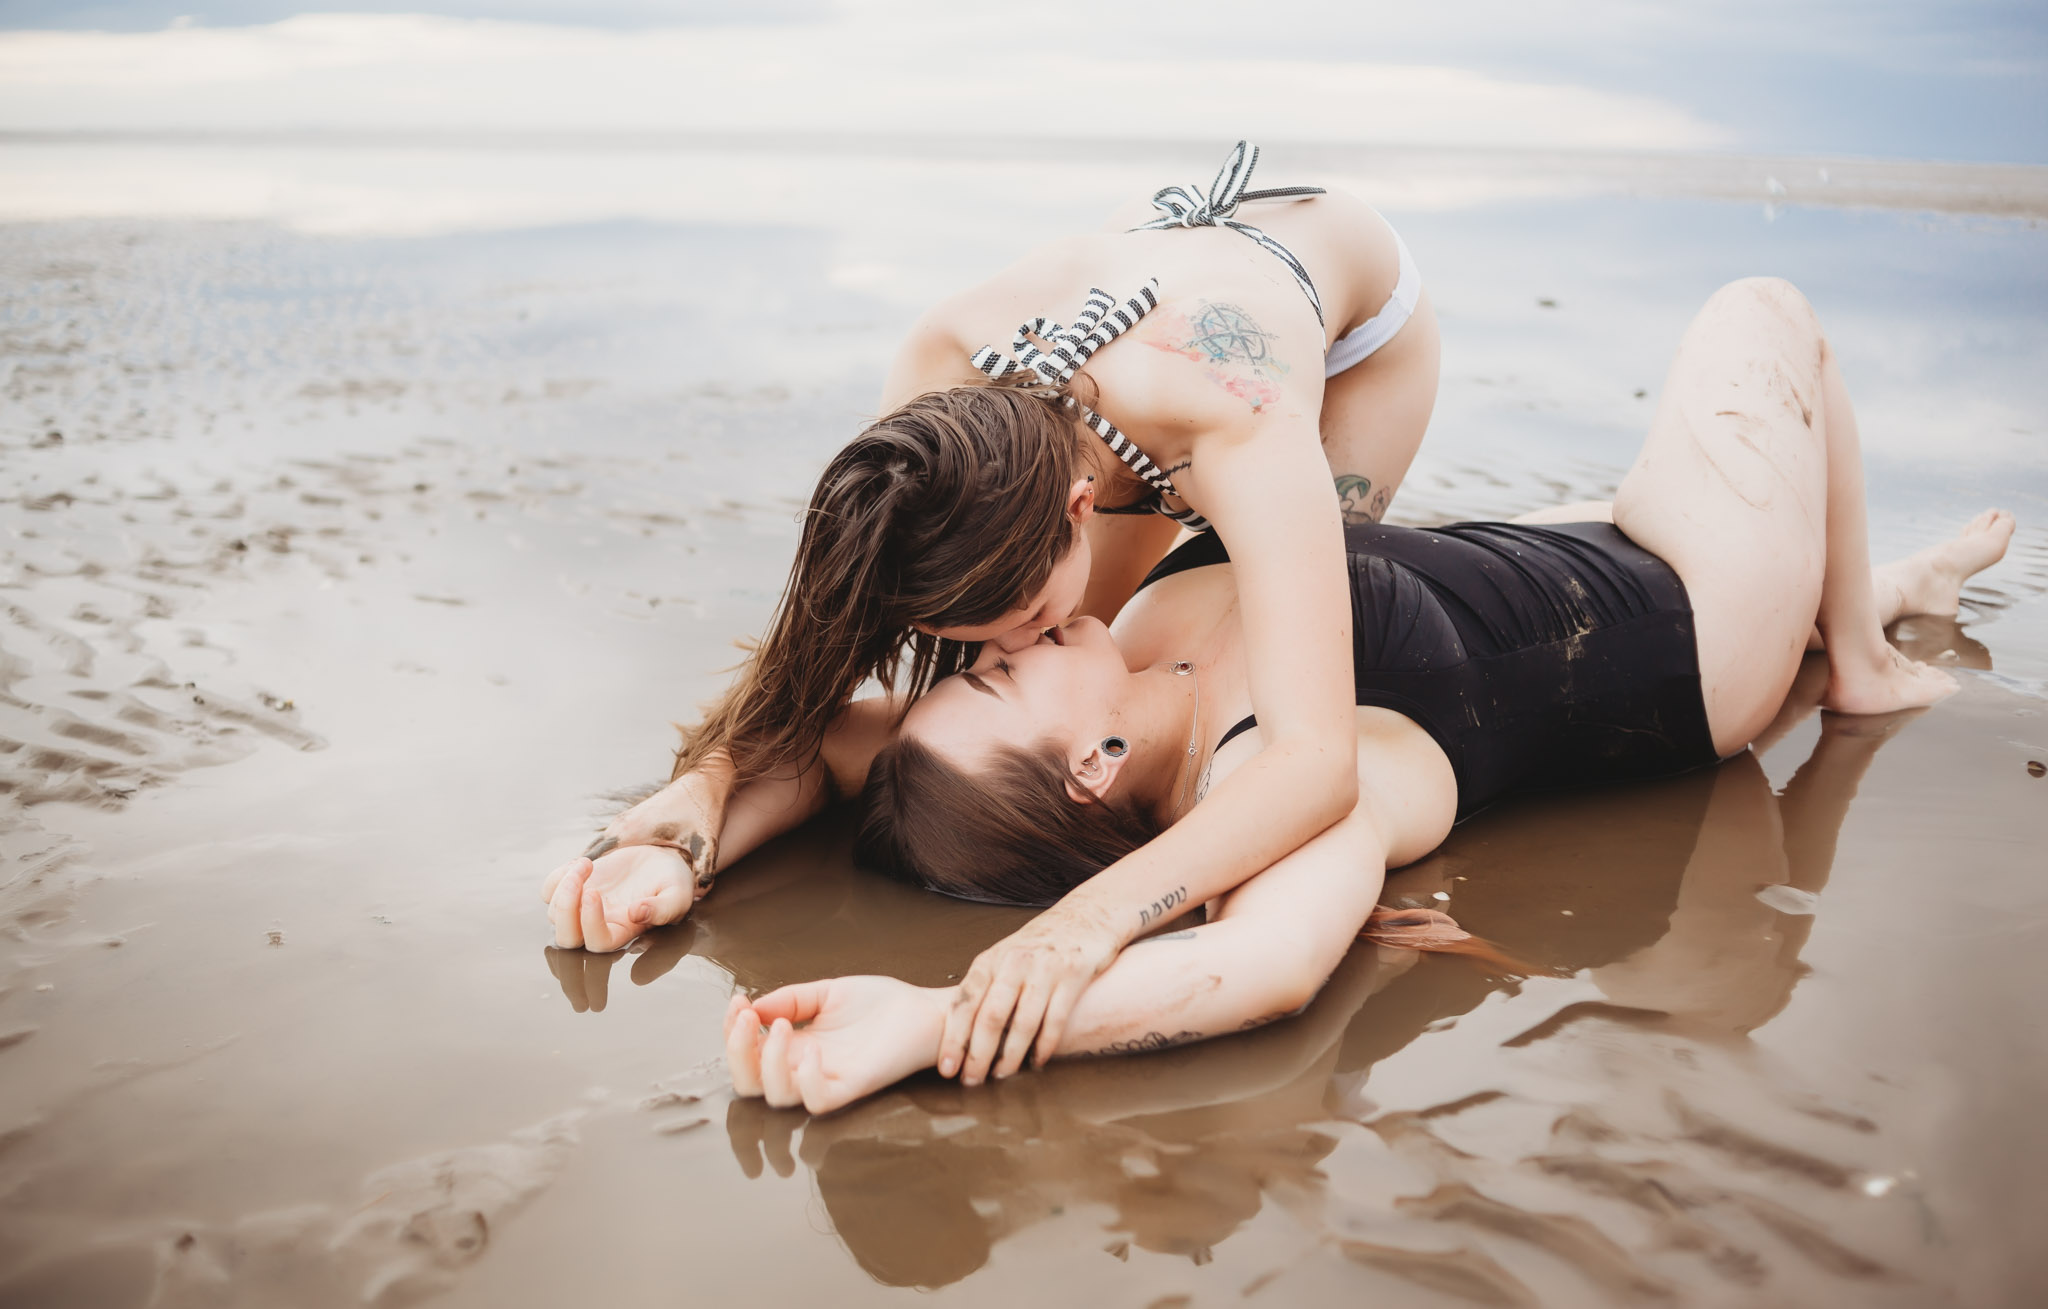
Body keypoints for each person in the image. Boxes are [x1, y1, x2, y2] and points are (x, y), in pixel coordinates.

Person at [708, 277, 2014, 1114]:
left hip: (1541, 552)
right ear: (1093, 765)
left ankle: (1889, 585)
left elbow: (828, 741)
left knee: (1626, 487)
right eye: (998, 672)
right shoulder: (1280, 773)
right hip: (1688, 611)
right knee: (1767, 312)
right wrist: (936, 1022)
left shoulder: (1127, 643)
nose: (1006, 640)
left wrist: (675, 835)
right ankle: (1860, 653)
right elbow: (1258, 963)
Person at [545, 143, 1443, 1057]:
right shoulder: (939, 371)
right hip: (1143, 311)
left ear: (1078, 510)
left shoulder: (1239, 423)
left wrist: (1090, 918)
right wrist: (700, 798)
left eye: (1015, 623)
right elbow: (825, 683)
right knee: (1077, 691)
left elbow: (1318, 760)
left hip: (1334, 323)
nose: (996, 649)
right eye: (965, 639)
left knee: (1266, 660)